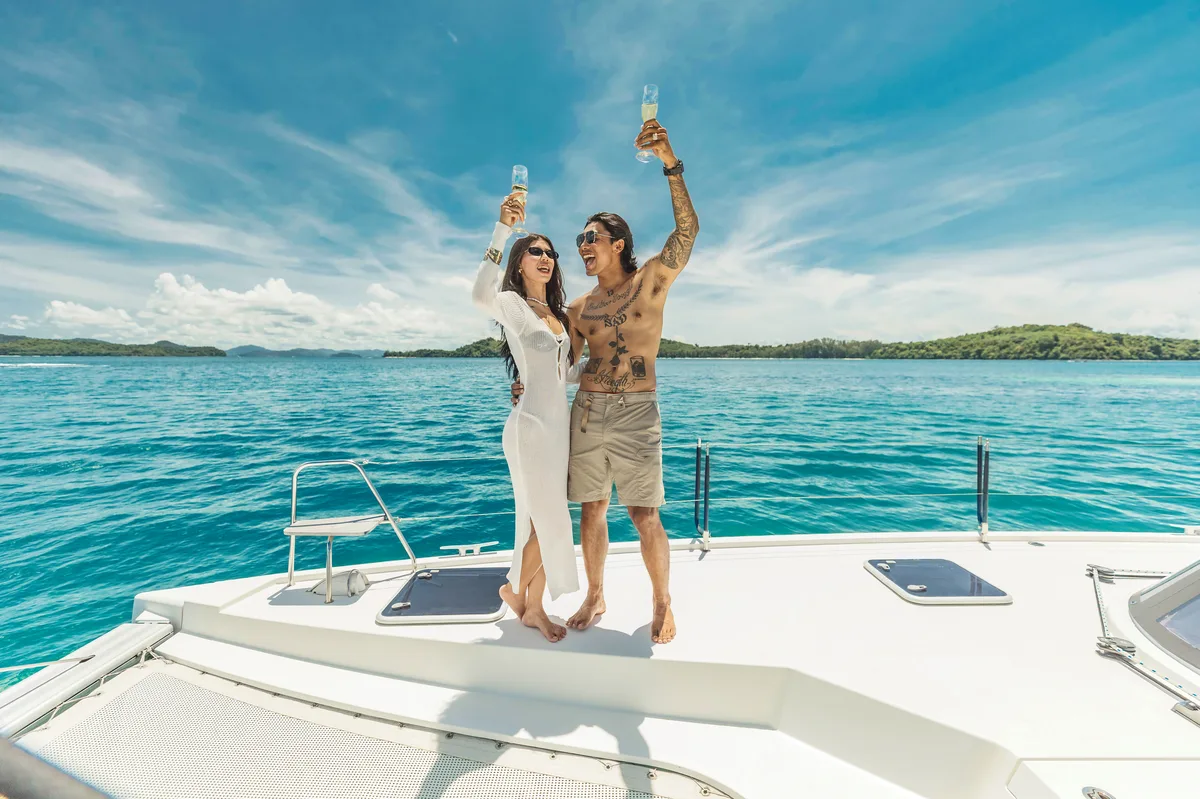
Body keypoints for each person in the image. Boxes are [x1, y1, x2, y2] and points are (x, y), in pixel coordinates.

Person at [512, 117, 699, 644]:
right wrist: (529, 385)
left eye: (590, 237)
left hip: (637, 412)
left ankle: (662, 600)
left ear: (617, 243)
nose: (582, 246)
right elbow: (561, 365)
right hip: (588, 412)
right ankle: (595, 594)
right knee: (591, 509)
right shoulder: (578, 308)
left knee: (644, 513)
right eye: (579, 240)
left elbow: (687, 233)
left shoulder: (652, 281)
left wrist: (671, 164)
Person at [472, 195, 580, 643]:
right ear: (519, 262)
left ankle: (530, 607)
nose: (546, 258)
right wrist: (502, 229)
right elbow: (480, 294)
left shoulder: (556, 316)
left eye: (551, 253)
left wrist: (607, 368)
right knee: (553, 520)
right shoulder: (511, 304)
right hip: (530, 427)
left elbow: (564, 376)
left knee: (540, 520)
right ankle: (516, 591)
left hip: (557, 430)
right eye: (536, 251)